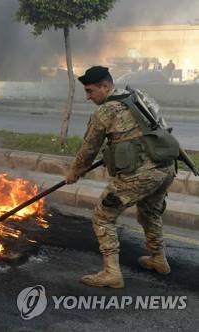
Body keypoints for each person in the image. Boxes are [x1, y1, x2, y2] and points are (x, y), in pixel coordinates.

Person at [66, 66, 176, 289]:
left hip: (141, 174)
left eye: (90, 91)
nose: (87, 97)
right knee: (150, 212)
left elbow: (89, 149)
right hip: (166, 168)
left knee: (103, 216)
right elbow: (157, 128)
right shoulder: (139, 97)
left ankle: (111, 273)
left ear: (105, 86)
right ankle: (159, 259)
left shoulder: (105, 111)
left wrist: (74, 172)